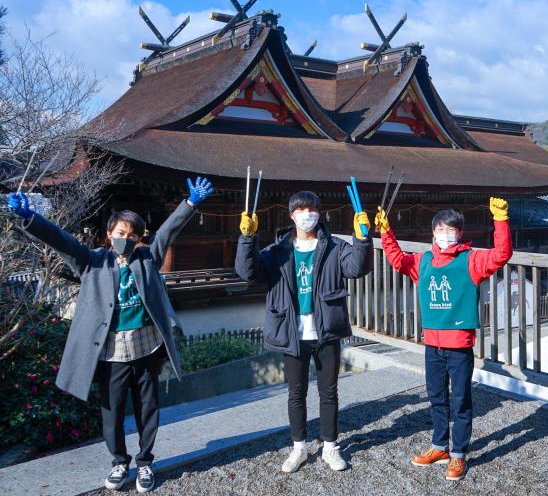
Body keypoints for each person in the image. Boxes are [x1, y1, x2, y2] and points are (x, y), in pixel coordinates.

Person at [6, 177, 214, 493]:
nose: (126, 239)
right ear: (109, 234)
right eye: (120, 233)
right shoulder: (92, 262)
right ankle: (119, 462)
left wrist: (190, 203)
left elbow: (168, 232)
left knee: (148, 408)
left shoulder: (147, 258)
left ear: (140, 238)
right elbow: (61, 240)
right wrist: (29, 218)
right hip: (111, 351)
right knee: (112, 412)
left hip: (146, 346)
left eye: (133, 235)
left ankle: (145, 463)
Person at [374, 198, 512, 481]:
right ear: (433, 232)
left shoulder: (472, 260)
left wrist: (500, 220)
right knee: (437, 399)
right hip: (432, 344)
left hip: (459, 345)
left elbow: (501, 254)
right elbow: (399, 261)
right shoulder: (424, 261)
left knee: (460, 401)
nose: (446, 234)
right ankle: (440, 447)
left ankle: (459, 455)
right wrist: (386, 233)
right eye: (441, 229)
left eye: (452, 230)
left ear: (459, 233)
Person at [236, 191, 372, 473]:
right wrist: (247, 239)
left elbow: (357, 267)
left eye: (312, 209)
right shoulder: (277, 251)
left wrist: (362, 238)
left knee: (329, 391)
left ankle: (330, 447)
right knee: (296, 393)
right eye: (301, 209)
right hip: (292, 332)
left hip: (326, 330)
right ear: (291, 215)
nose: (307, 214)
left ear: (319, 214)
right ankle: (299, 448)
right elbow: (248, 272)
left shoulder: (335, 247)